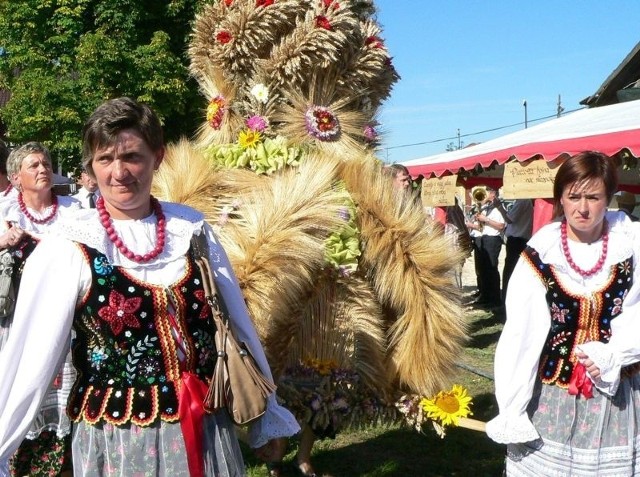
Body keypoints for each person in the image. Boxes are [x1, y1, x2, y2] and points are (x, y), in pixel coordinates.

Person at [0, 97, 300, 476]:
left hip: (207, 429)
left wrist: (266, 412)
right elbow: (29, 358)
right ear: (91, 165)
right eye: (105, 159)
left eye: (132, 157)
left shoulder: (192, 230)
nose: (119, 172)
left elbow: (236, 321)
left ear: (157, 157)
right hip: (118, 442)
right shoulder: (70, 245)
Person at [486, 151, 640, 475]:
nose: (583, 208)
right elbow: (521, 333)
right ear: (560, 198)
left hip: (617, 394)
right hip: (554, 395)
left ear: (608, 198)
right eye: (573, 197)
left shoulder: (630, 245)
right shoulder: (542, 252)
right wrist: (512, 408)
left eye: (594, 197)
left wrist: (614, 354)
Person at [0, 141, 82, 476]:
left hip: (66, 321)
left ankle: (64, 464)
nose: (43, 169)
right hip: (18, 320)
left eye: (45, 163)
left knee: (64, 389)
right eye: (33, 165)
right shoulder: (5, 213)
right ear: (16, 177)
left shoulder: (75, 211)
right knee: (21, 381)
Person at [474, 186, 508, 308]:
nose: (485, 194)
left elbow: (501, 226)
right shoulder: (488, 208)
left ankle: (494, 298)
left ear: (493, 194)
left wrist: (486, 220)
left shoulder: (498, 208)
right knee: (484, 269)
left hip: (493, 239)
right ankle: (486, 295)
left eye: (487, 192)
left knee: (492, 268)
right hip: (485, 237)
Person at [501, 198, 533, 301]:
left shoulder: (523, 200)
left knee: (510, 272)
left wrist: (498, 206)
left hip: (517, 241)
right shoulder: (522, 201)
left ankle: (507, 301)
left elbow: (510, 219)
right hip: (517, 240)